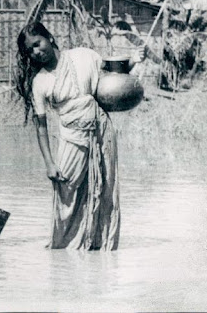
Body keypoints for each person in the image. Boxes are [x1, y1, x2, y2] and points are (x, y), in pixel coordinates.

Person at [15, 22, 145, 251]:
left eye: (38, 43)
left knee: (106, 187)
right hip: (71, 137)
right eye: (30, 50)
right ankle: (63, 249)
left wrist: (134, 60)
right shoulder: (40, 82)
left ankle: (100, 247)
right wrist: (49, 163)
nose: (36, 52)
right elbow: (41, 127)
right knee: (67, 195)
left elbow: (114, 78)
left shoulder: (84, 56)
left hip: (101, 131)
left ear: (50, 38)